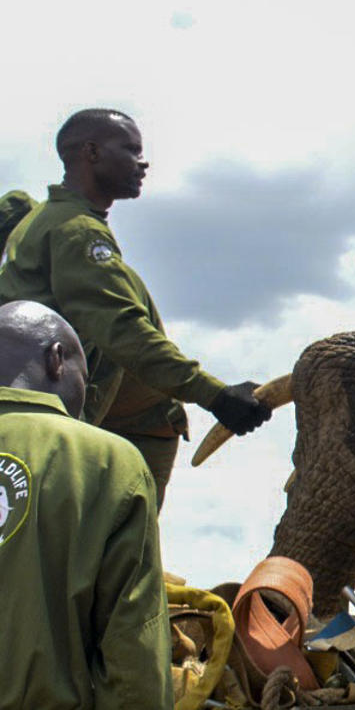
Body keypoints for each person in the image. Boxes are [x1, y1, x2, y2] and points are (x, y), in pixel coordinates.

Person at [0, 108, 271, 506]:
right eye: (130, 149)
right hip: (58, 429)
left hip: (87, 424)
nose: (143, 162)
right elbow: (121, 329)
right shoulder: (76, 231)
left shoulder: (49, 220)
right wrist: (216, 395)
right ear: (91, 153)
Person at [0, 299, 171, 709]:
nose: (87, 396)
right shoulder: (108, 462)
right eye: (85, 378)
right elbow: (132, 645)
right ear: (56, 359)